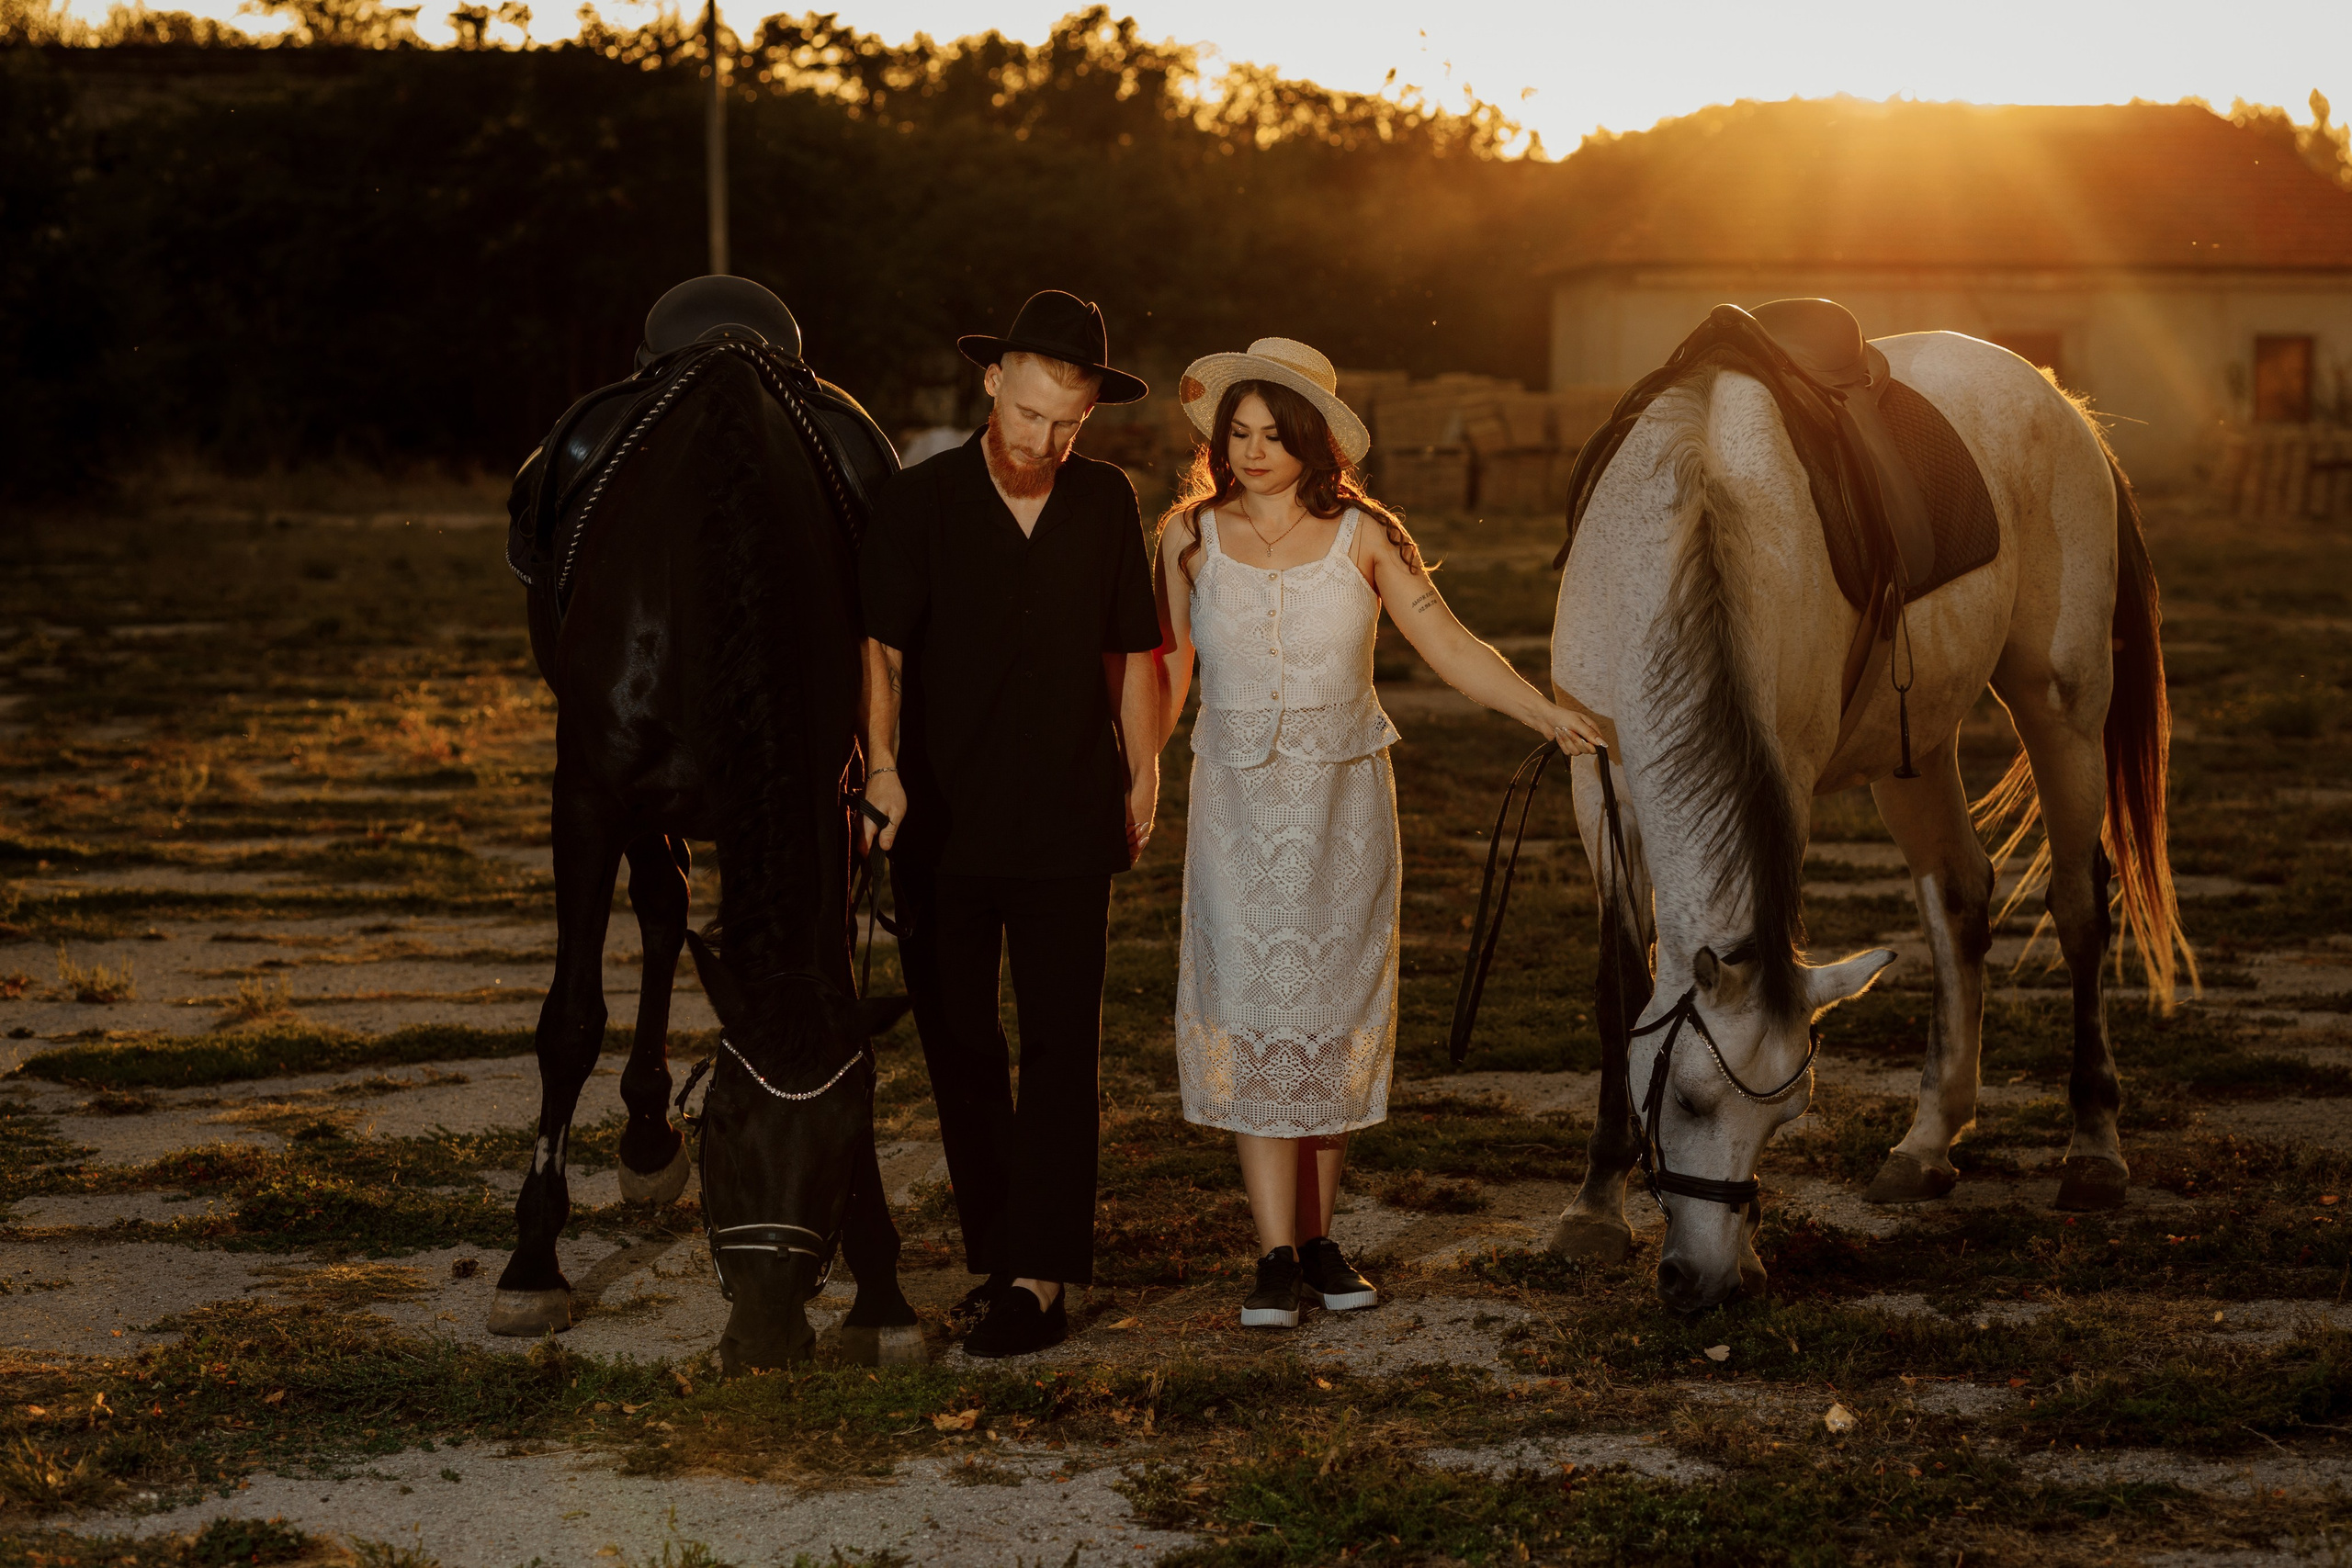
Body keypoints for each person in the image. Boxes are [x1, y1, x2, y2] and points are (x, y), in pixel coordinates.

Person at [1148, 338, 1602, 1328]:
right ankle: (1273, 1254)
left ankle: (1319, 1238)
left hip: (1343, 808)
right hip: (1234, 808)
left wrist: (1543, 713)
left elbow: (1445, 641)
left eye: (1273, 434)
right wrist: (1133, 771)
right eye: (1239, 434)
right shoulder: (1186, 538)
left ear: (1312, 440)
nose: (1254, 451)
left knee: (1326, 1022)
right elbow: (1168, 676)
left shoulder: (1363, 534)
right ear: (1218, 441)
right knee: (1258, 1017)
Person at [858, 289, 1161, 1359]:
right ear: (993, 384)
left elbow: (1131, 653)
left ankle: (1039, 1276)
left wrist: (1147, 772)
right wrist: (883, 770)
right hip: (939, 819)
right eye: (1029, 413)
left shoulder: (1105, 503)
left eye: (1066, 424)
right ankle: (998, 1253)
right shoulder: (918, 501)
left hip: (1071, 816)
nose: (1042, 440)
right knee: (961, 1044)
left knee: (1059, 1046)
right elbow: (882, 649)